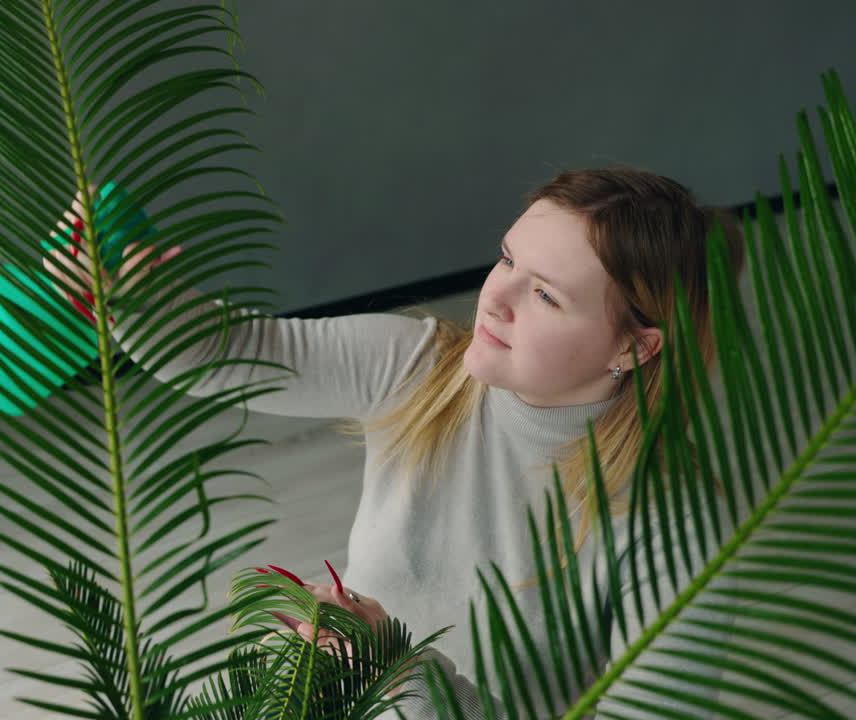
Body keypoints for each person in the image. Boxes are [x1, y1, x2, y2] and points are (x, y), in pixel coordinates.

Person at [44, 166, 746, 718]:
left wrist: (395, 667)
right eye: (507, 260)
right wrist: (123, 291)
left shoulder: (677, 525)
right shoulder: (417, 367)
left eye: (545, 295)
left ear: (633, 346)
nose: (494, 299)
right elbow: (225, 352)